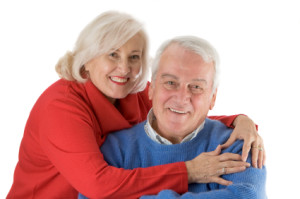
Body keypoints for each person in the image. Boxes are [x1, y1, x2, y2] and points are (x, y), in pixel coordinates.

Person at [7, 11, 264, 199]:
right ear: (87, 60)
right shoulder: (60, 108)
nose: (125, 68)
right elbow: (98, 187)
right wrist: (188, 172)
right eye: (112, 54)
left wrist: (240, 122)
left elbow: (178, 110)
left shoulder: (131, 92)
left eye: (134, 57)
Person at [79, 36, 266, 199]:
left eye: (196, 87)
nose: (181, 97)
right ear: (151, 88)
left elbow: (247, 196)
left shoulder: (235, 145)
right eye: (170, 83)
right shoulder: (116, 150)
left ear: (213, 98)